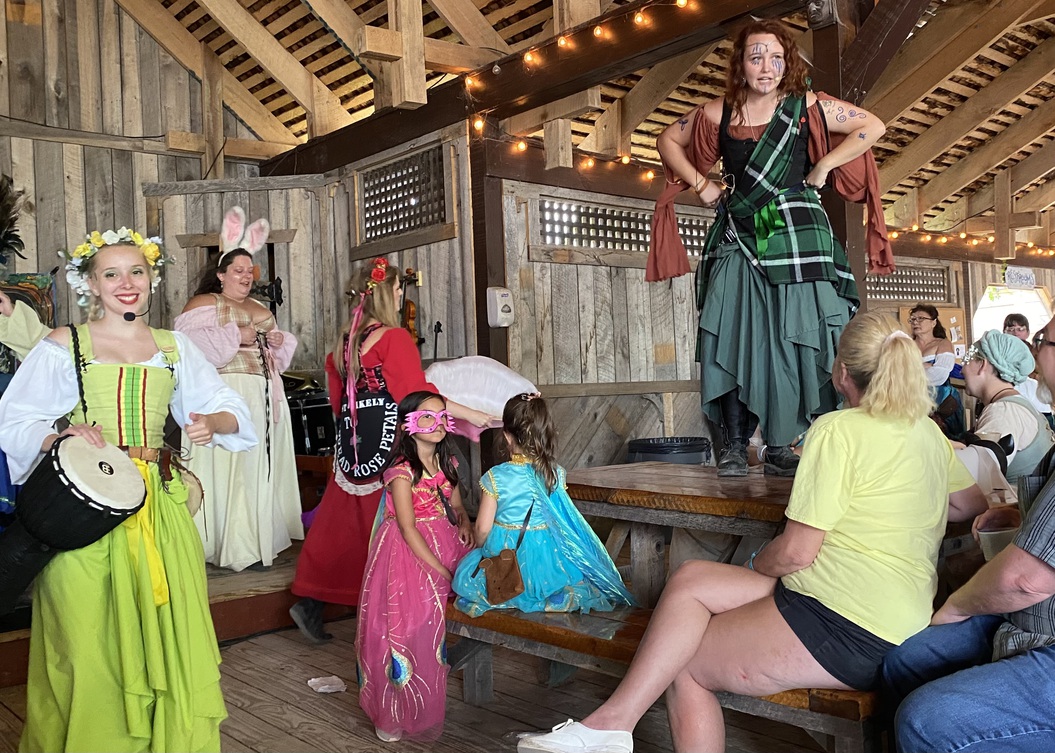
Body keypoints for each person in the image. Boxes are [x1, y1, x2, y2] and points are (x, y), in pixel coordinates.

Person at [517, 312, 985, 753]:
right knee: (690, 580)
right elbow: (970, 505)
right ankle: (613, 726)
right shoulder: (925, 431)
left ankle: (611, 727)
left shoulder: (838, 430)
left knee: (687, 664)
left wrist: (756, 563)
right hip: (894, 614)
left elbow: (798, 552)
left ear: (842, 372)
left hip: (847, 624)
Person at [0, 229, 256, 752]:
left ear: (151, 280)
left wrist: (215, 421)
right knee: (84, 638)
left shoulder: (173, 347)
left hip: (158, 505)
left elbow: (232, 408)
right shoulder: (62, 344)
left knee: (164, 630)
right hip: (82, 510)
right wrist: (59, 434)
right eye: (111, 273)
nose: (126, 283)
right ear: (90, 284)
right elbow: (15, 420)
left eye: (136, 271)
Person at [647, 19, 888, 478]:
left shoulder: (808, 106)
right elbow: (666, 140)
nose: (767, 66)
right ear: (740, 64)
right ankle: (736, 445)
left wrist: (825, 167)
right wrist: (701, 185)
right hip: (739, 231)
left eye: (776, 58)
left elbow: (871, 125)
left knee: (803, 335)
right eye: (756, 56)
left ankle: (786, 444)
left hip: (800, 233)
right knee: (734, 333)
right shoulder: (717, 113)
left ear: (787, 63)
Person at [289, 258, 493, 642]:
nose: (402, 297)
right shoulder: (394, 339)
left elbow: (337, 404)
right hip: (392, 443)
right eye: (399, 290)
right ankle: (396, 607)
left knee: (340, 521)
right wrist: (473, 415)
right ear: (387, 293)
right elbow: (417, 398)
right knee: (392, 525)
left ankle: (312, 600)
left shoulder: (342, 344)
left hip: (352, 444)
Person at [882, 314, 1055, 753]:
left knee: (925, 720)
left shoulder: (1007, 411)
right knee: (906, 658)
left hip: (1043, 619)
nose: (1036, 352)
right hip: (1033, 606)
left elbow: (1026, 579)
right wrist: (1024, 511)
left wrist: (955, 607)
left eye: (1043, 342)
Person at [175, 219, 303, 572]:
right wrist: (235, 335)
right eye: (239, 270)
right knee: (230, 465)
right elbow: (188, 347)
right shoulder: (205, 302)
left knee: (256, 465)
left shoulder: (262, 309)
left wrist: (276, 342)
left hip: (264, 391)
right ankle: (221, 540)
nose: (247, 276)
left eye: (250, 271)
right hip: (226, 391)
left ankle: (256, 536)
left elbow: (276, 354)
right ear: (221, 274)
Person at [356, 391, 474, 743]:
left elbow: (455, 504)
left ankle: (432, 692)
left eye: (442, 417)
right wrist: (440, 569)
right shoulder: (401, 472)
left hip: (445, 540)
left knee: (439, 625)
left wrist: (465, 523)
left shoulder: (447, 462)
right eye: (426, 417)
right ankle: (393, 712)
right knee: (403, 628)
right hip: (407, 555)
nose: (436, 424)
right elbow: (407, 528)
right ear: (408, 425)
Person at [452, 393, 634, 616]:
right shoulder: (555, 473)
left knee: (474, 579)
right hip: (549, 550)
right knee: (552, 580)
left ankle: (514, 594)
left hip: (507, 548)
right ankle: (553, 597)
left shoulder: (496, 477)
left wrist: (482, 548)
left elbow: (482, 528)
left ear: (507, 437)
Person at [961, 330, 1053, 482]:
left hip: (1016, 504)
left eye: (966, 360)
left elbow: (977, 472)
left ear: (982, 365)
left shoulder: (1002, 411)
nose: (962, 369)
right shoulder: (1016, 403)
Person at [910, 303, 963, 438]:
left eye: (921, 318)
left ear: (933, 322)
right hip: (912, 399)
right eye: (913, 319)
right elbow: (897, 371)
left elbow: (939, 375)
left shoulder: (942, 343)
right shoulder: (907, 345)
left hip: (942, 401)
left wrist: (912, 369)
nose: (916, 322)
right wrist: (926, 366)